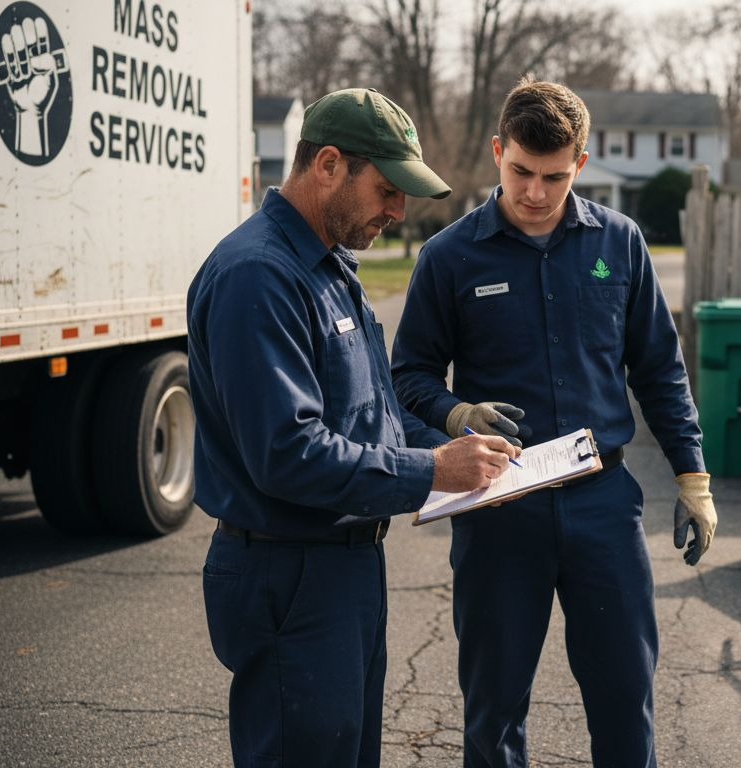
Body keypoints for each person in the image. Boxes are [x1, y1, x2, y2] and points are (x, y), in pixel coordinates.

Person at [188, 88, 520, 768]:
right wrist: (434, 474)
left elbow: (372, 417)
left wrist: (463, 455)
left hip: (342, 567)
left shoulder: (328, 266)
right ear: (329, 164)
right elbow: (288, 453)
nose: (398, 212)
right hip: (290, 568)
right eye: (386, 189)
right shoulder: (260, 276)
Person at [391, 76, 718, 767]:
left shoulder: (620, 244)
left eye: (553, 176)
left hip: (603, 504)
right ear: (496, 151)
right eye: (520, 172)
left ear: (582, 164)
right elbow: (407, 378)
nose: (535, 193)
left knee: (626, 700)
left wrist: (693, 477)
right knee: (493, 709)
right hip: (500, 509)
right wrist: (455, 414)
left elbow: (659, 368)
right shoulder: (449, 257)